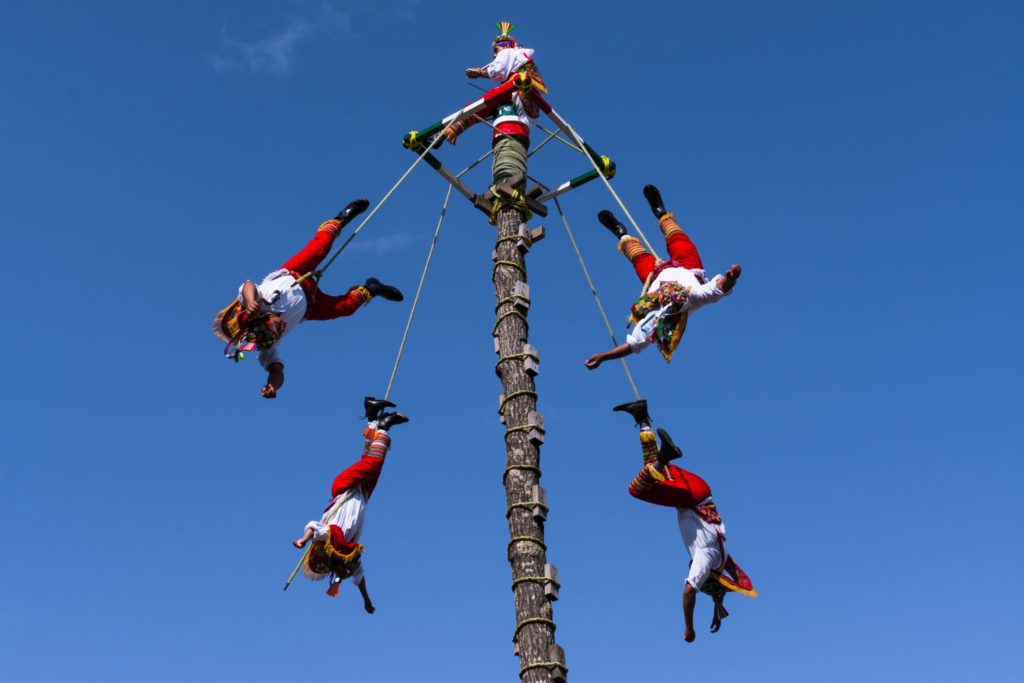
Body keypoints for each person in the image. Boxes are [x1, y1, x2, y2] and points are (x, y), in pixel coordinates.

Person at [212, 200, 404, 399]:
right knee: (345, 308)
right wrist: (272, 386)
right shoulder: (267, 343)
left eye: (277, 327)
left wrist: (251, 300)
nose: (282, 328)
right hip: (311, 305)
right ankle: (371, 289)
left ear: (265, 319)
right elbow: (276, 371)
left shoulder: (258, 303)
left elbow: (247, 286)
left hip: (295, 272)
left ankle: (341, 218)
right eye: (279, 332)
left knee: (320, 247)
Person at [614, 399, 756, 643]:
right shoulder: (708, 558)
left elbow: (720, 591)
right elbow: (689, 591)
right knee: (637, 489)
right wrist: (689, 628)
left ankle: (643, 417)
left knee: (651, 470)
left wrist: (717, 612)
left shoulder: (723, 559)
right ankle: (665, 454)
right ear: (709, 577)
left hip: (700, 489)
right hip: (691, 497)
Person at [584, 185, 741, 368]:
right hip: (688, 267)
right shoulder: (693, 295)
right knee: (678, 239)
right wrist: (731, 277)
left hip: (654, 277)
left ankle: (621, 232)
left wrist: (603, 356)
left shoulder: (654, 318)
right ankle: (660, 212)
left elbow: (632, 345)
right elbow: (716, 290)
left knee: (637, 256)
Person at [291, 397, 410, 606]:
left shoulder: (329, 538)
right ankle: (372, 416)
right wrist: (367, 601)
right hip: (362, 495)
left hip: (344, 488)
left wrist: (302, 540)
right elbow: (359, 578)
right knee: (371, 461)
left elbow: (312, 526)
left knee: (372, 463)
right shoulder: (349, 553)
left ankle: (383, 426)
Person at [443, 21, 546, 188]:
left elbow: (497, 70)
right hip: (526, 103)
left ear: (503, 46)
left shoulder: (507, 53)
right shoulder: (521, 56)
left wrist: (480, 73)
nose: (494, 55)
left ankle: (457, 126)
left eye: (495, 50)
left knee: (487, 101)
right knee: (492, 103)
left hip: (518, 90)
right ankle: (457, 126)